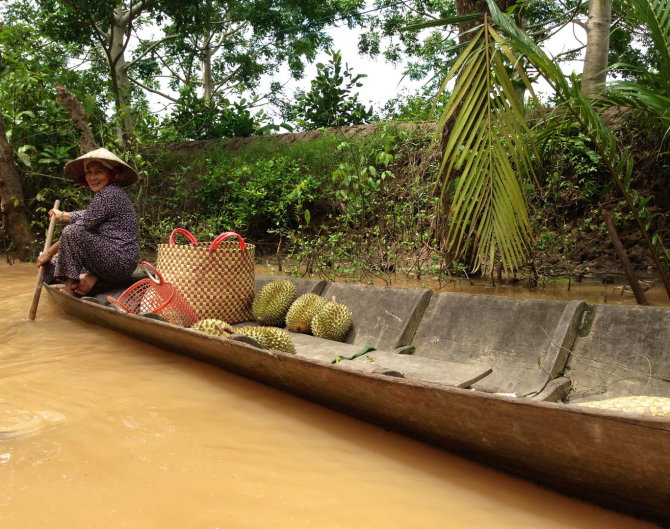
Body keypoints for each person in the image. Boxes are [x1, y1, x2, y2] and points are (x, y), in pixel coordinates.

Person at [36, 148, 140, 296]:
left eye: (98, 172)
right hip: (109, 259)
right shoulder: (109, 194)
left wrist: (48, 253)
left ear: (112, 174)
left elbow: (79, 229)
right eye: (89, 172)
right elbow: (87, 215)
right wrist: (63, 215)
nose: (92, 177)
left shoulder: (109, 194)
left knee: (71, 232)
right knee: (50, 267)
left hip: (119, 262)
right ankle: (91, 278)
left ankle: (69, 289)